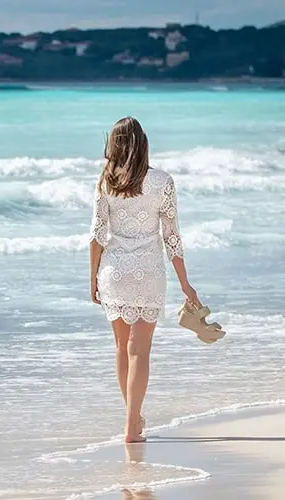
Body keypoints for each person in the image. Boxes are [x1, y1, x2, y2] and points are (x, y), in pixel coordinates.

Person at [88, 116, 201, 443]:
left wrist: (92, 278)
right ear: (143, 143)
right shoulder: (162, 182)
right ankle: (131, 426)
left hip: (114, 273)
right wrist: (185, 284)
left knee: (122, 349)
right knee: (140, 351)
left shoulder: (106, 182)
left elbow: (96, 235)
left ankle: (133, 419)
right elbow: (172, 238)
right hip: (149, 274)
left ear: (114, 145)